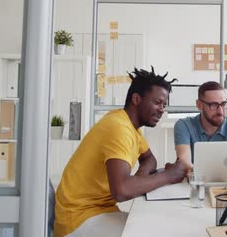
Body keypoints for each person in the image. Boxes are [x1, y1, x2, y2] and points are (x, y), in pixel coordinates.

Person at [54, 67, 187, 237]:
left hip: (101, 211)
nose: (162, 109)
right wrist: (168, 175)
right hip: (79, 219)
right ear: (136, 99)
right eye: (156, 102)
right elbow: (122, 191)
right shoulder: (118, 128)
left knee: (158, 223)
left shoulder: (129, 125)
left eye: (164, 105)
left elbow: (149, 159)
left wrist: (139, 181)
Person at [174, 81, 227, 169]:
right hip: (196, 182)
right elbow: (184, 163)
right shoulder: (184, 125)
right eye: (213, 105)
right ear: (199, 105)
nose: (220, 111)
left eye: (223, 104)